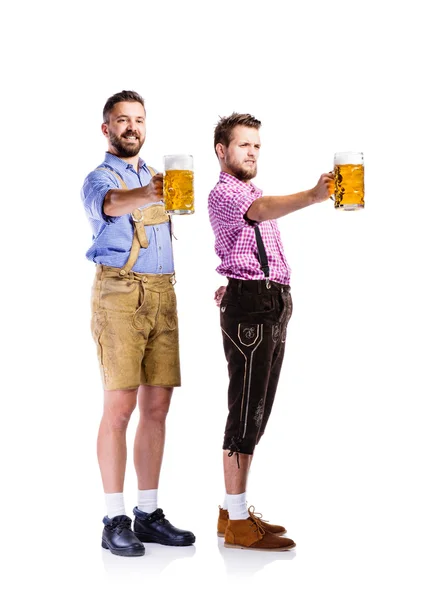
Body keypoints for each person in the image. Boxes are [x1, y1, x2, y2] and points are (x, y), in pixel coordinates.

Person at [208, 113, 334, 551]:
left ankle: (232, 510)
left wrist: (238, 280)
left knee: (256, 414)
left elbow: (247, 244)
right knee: (244, 413)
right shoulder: (225, 192)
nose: (252, 152)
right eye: (244, 145)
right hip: (253, 307)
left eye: (257, 146)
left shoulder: (250, 192)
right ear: (222, 151)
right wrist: (314, 196)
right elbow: (260, 214)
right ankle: (238, 522)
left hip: (270, 305)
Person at [81, 90, 195, 557]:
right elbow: (110, 204)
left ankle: (147, 513)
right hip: (121, 295)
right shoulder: (99, 177)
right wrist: (148, 195)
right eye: (122, 120)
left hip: (163, 294)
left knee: (156, 409)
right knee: (120, 409)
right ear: (106, 129)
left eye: (139, 120)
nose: (132, 127)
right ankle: (113, 519)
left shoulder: (154, 174)